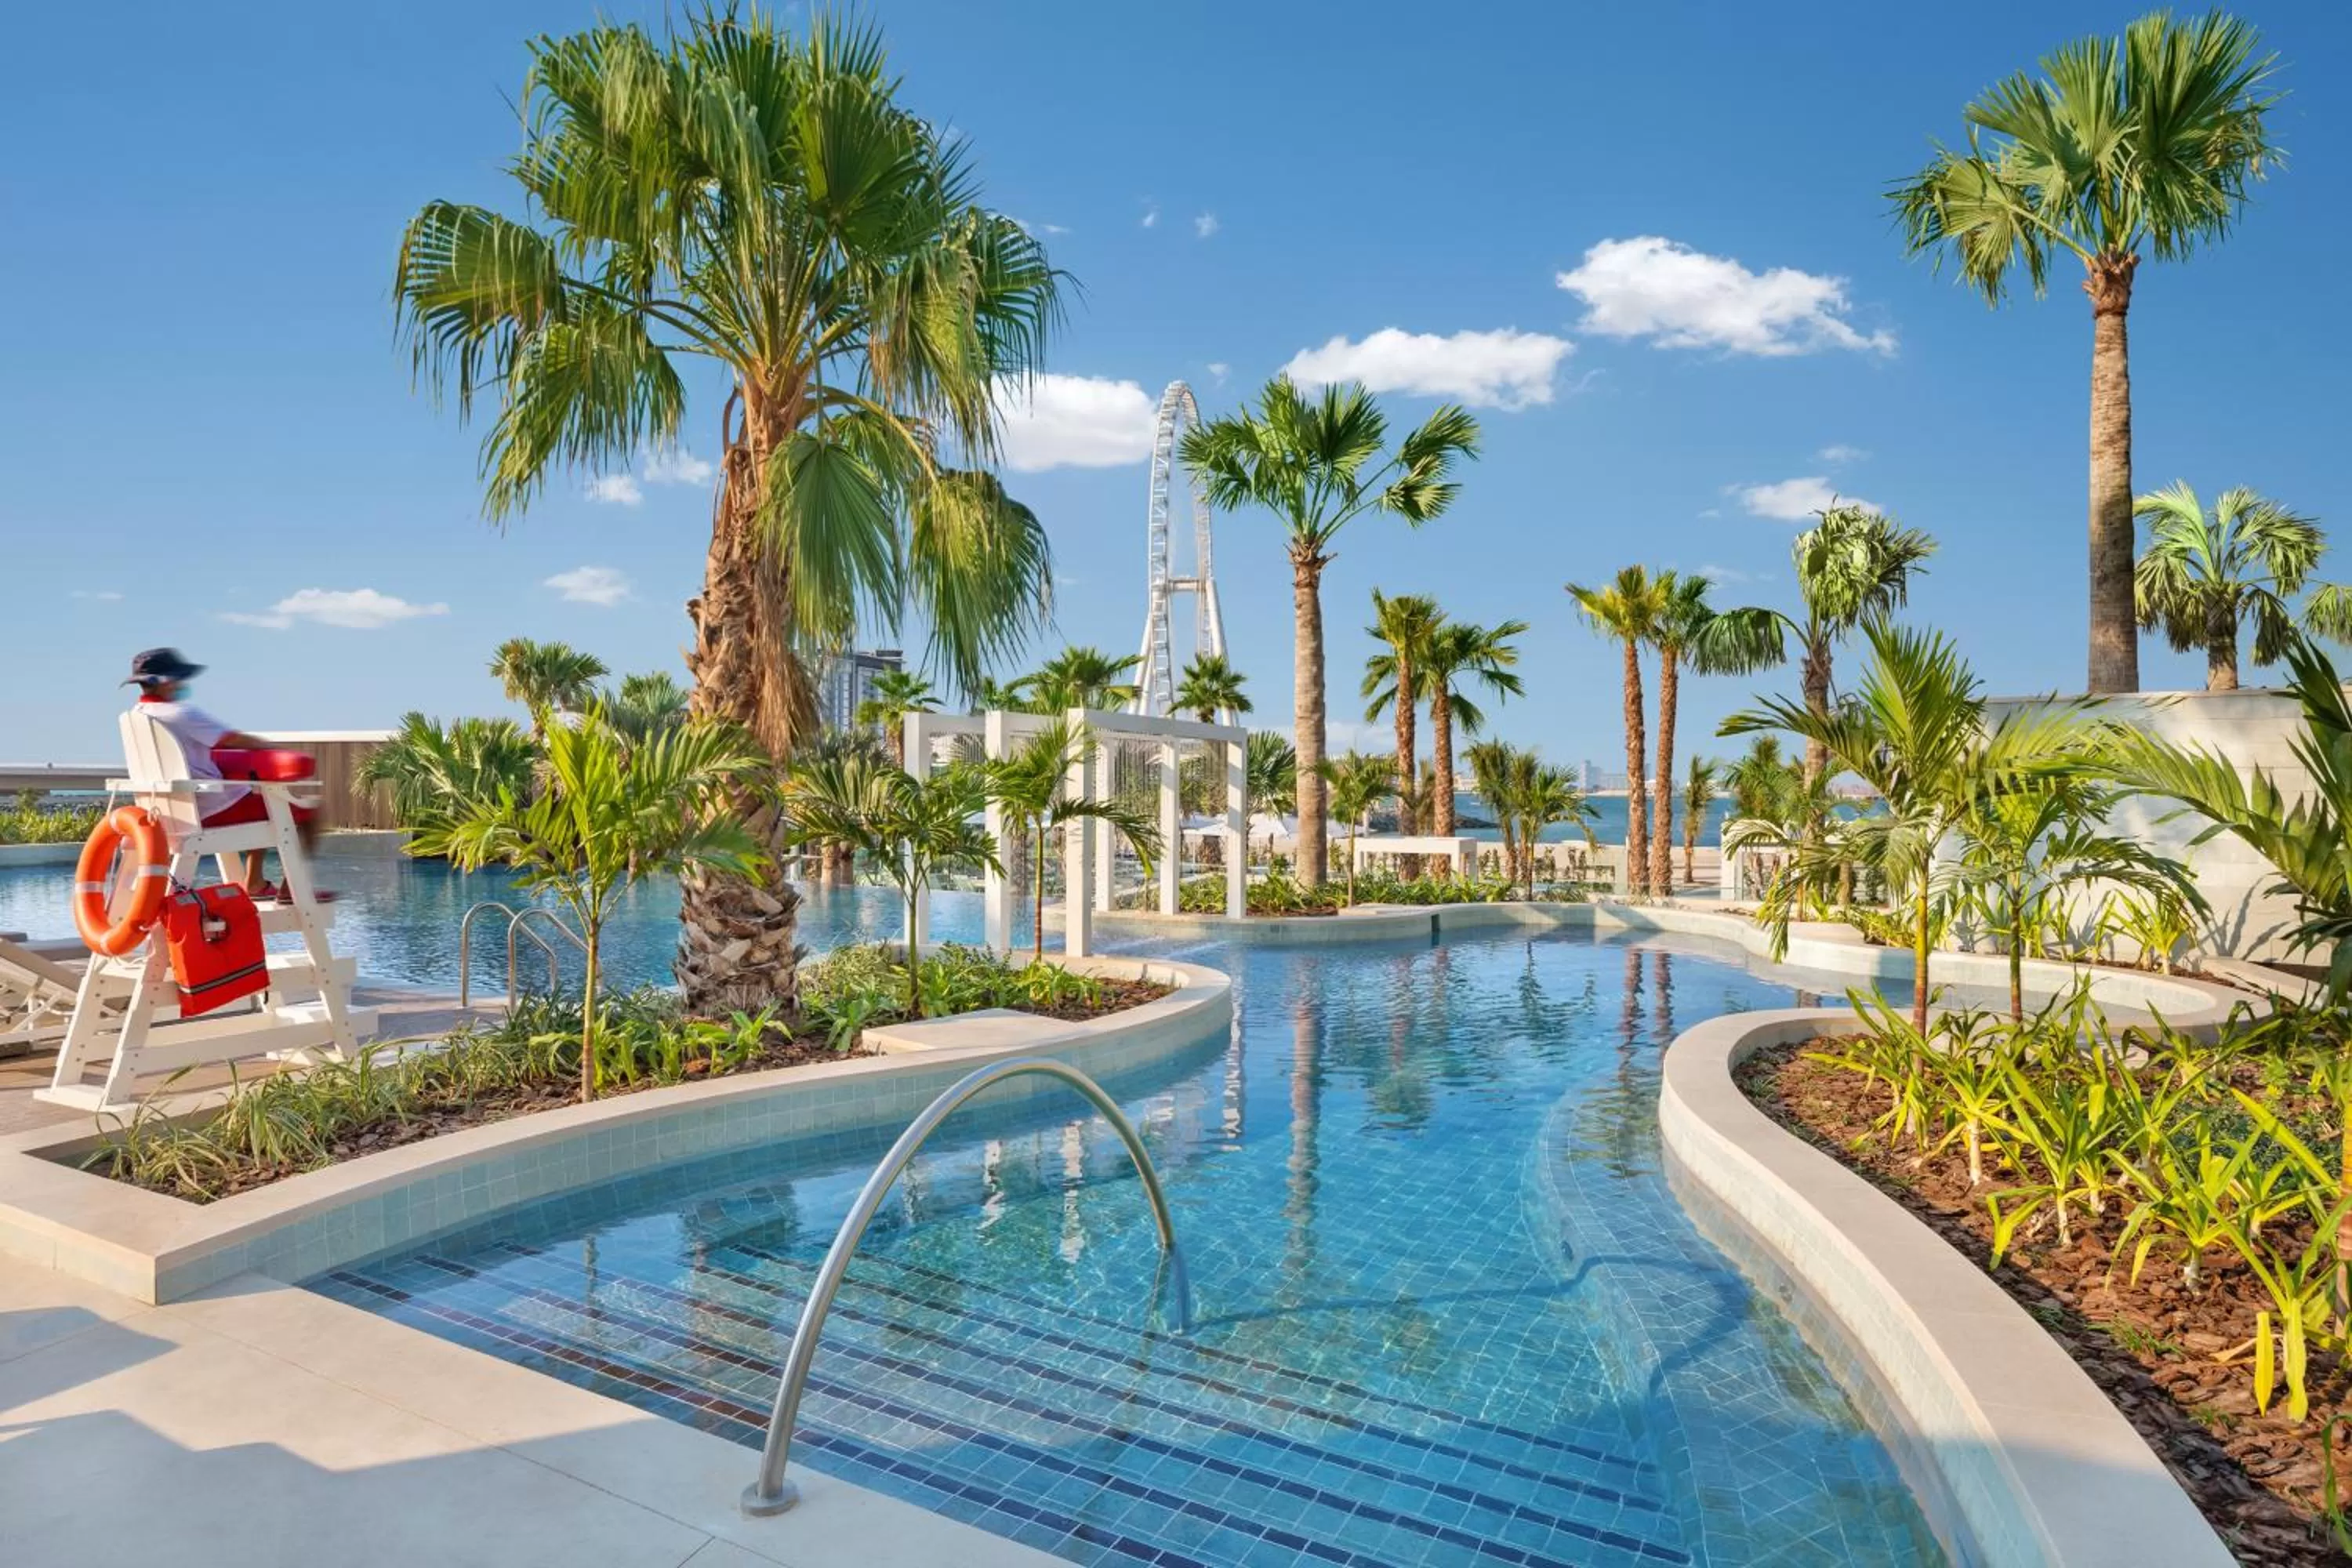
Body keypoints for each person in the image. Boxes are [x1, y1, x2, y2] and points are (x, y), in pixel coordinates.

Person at [122, 648, 323, 898]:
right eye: (178, 678)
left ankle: (255, 882)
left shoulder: (135, 718)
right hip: (210, 811)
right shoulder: (182, 714)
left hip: (167, 814)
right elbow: (233, 739)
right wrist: (275, 749)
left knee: (254, 794)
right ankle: (293, 890)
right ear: (164, 682)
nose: (181, 684)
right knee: (308, 813)